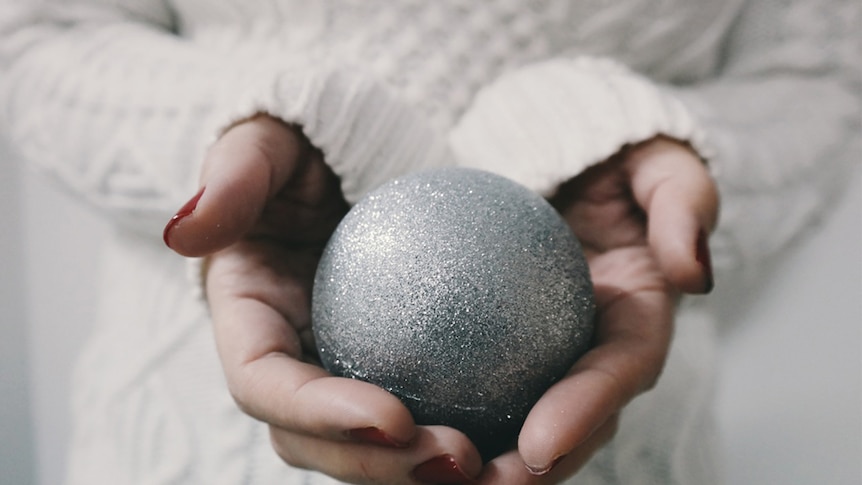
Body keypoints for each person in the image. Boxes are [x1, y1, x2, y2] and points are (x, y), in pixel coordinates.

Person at [1, 1, 858, 484]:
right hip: (190, 433)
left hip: (618, 436)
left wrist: (611, 135)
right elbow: (37, 38)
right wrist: (260, 124)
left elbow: (820, 81)